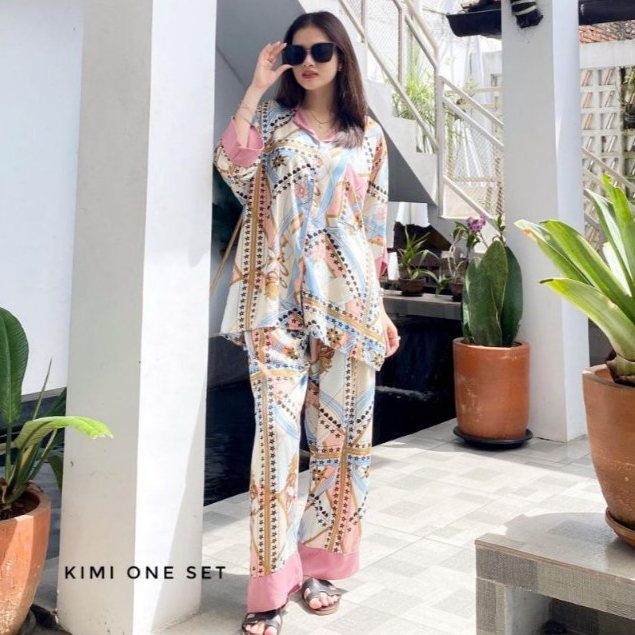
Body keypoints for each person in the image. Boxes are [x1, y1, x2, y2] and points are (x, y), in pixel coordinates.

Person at [214, 10, 400, 635]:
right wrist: (256, 86)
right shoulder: (270, 122)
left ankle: (320, 567)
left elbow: (373, 231)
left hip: (350, 308)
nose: (309, 62)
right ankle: (270, 586)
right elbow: (233, 167)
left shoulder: (369, 136)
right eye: (298, 53)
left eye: (322, 51)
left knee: (342, 445)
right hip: (275, 303)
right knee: (275, 443)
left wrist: (381, 308)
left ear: (342, 57)